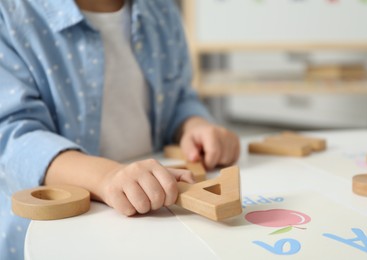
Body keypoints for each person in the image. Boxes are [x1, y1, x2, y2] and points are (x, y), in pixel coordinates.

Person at [0, 0, 240, 259]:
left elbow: (178, 97)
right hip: (55, 237)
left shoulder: (160, 9)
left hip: (151, 221)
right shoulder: (10, 14)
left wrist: (194, 125)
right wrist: (107, 177)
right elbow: (14, 138)